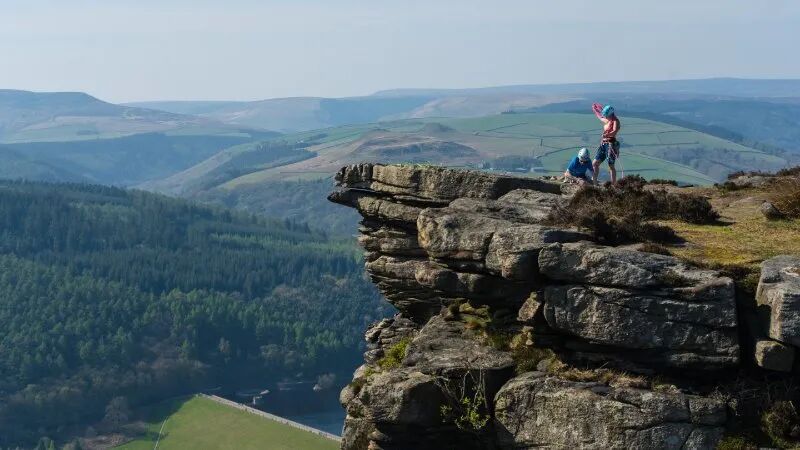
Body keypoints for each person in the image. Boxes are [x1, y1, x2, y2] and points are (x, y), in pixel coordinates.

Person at [591, 103, 621, 184]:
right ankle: (594, 182)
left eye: (606, 115)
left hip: (611, 144)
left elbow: (614, 131)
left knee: (611, 166)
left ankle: (613, 184)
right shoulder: (609, 119)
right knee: (595, 163)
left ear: (610, 114)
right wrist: (595, 110)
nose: (605, 117)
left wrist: (606, 134)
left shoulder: (615, 121)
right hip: (604, 144)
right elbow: (600, 117)